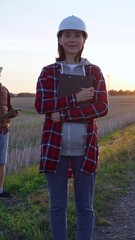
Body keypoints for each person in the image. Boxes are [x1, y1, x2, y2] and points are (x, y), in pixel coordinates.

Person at [35, 15, 108, 240]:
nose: (72, 40)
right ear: (60, 39)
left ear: (84, 40)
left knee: (85, 207)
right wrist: (76, 98)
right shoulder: (49, 71)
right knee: (58, 207)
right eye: (67, 35)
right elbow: (41, 105)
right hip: (55, 149)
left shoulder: (93, 72)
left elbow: (101, 107)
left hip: (85, 150)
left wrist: (63, 114)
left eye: (77, 35)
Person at [0, 67, 21, 198]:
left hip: (3, 130)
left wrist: (13, 113)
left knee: (1, 162)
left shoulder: (5, 90)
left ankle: (0, 191)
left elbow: (9, 107)